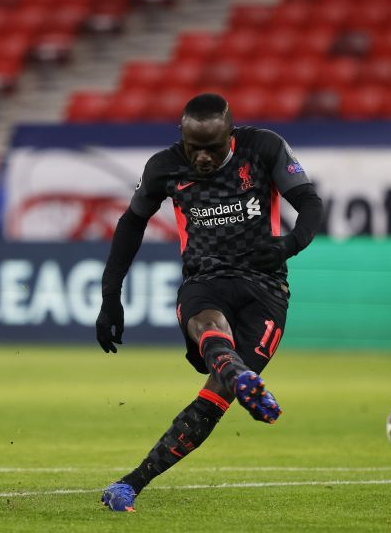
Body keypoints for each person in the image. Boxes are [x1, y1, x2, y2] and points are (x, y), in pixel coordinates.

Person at [95, 93, 323, 511]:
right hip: (205, 279)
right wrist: (111, 295)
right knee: (207, 323)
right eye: (192, 147)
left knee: (211, 400)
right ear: (181, 136)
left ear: (230, 136)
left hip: (267, 288)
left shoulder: (264, 147)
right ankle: (238, 376)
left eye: (212, 149)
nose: (200, 158)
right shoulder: (163, 166)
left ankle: (133, 482)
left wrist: (289, 244)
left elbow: (309, 202)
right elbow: (131, 223)